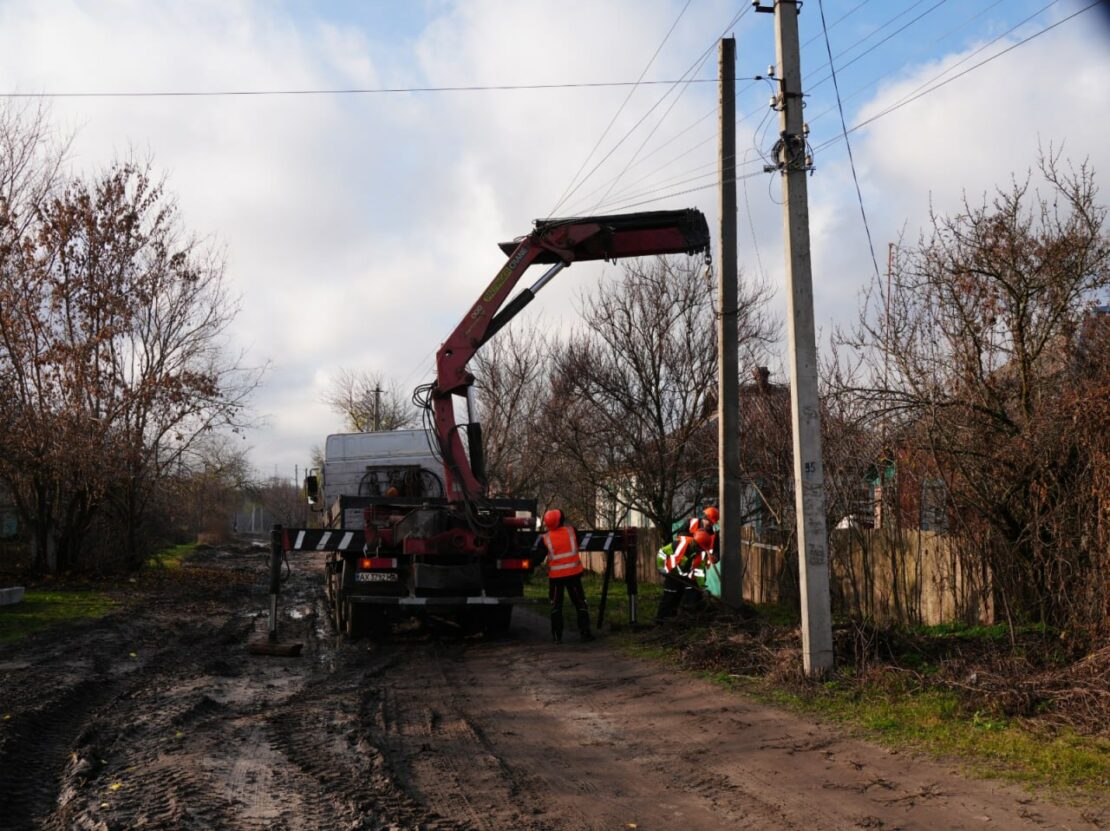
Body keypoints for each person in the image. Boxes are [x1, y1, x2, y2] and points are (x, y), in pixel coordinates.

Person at [541, 508, 594, 644]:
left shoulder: (546, 538)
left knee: (556, 606)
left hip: (556, 578)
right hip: (573, 575)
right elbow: (581, 542)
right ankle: (585, 633)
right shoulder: (571, 532)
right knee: (580, 603)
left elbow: (538, 556)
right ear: (561, 520)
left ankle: (557, 637)